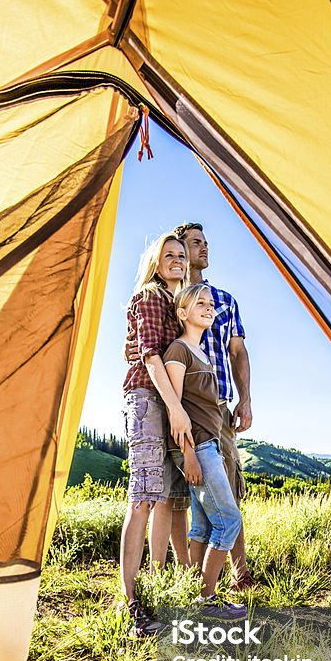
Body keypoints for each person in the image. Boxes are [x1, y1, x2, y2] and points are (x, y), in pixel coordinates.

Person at [169, 221, 255, 589]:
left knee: (228, 485)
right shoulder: (169, 299)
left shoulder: (225, 301)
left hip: (218, 406)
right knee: (180, 495)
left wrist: (246, 398)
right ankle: (188, 579)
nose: (204, 248)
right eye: (195, 243)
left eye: (206, 242)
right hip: (177, 407)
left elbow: (238, 351)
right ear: (179, 249)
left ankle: (239, 573)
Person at [119, 232, 192, 635]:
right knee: (144, 498)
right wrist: (176, 409)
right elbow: (147, 355)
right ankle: (130, 604)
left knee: (164, 498)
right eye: (169, 255)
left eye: (181, 255)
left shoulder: (175, 303)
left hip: (167, 402)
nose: (177, 260)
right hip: (148, 399)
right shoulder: (150, 296)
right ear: (156, 260)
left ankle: (157, 591)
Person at [163, 284, 247, 619]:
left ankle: (190, 597)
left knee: (202, 526)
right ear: (182, 313)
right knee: (228, 520)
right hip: (197, 448)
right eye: (200, 302)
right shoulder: (178, 352)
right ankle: (208, 599)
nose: (209, 307)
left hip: (208, 444)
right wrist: (190, 455)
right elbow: (177, 409)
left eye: (211, 303)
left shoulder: (202, 353)